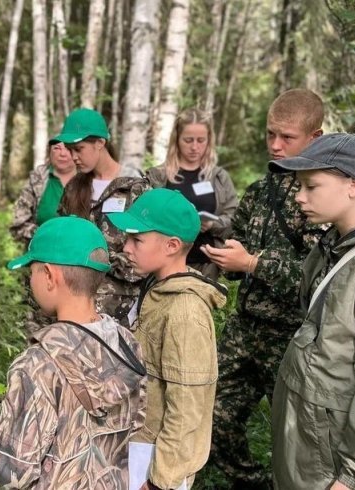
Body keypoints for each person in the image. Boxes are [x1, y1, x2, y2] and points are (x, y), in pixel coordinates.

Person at [200, 88, 326, 488]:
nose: (275, 145)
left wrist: (253, 263)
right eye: (270, 134)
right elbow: (239, 260)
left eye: (287, 137)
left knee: (296, 440)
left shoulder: (326, 194)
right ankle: (253, 482)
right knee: (212, 417)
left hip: (292, 337)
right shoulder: (260, 190)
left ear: (315, 137)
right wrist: (224, 254)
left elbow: (319, 278)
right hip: (245, 329)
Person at [0, 216, 147, 489]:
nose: (30, 280)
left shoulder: (38, 364)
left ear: (49, 276)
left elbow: (12, 473)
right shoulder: (125, 344)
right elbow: (138, 420)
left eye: (32, 271)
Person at [267, 133, 355, 489]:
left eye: (311, 186)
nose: (300, 197)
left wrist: (354, 478)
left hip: (336, 460)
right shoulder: (331, 244)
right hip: (308, 443)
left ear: (353, 186)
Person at [109, 189, 227, 489]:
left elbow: (188, 408)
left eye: (137, 239)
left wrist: (161, 480)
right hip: (140, 446)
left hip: (157, 461)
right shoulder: (157, 289)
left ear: (172, 245)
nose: (127, 247)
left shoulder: (185, 311)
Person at [55, 108, 150, 325]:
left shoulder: (135, 188)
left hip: (120, 306)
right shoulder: (73, 188)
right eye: (70, 150)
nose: (74, 157)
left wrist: (99, 262)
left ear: (100, 142)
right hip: (74, 302)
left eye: (79, 149)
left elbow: (147, 252)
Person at [146, 109, 237, 280]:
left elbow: (235, 218)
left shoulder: (218, 177)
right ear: (177, 140)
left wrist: (213, 224)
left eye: (201, 140)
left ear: (209, 141)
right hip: (164, 264)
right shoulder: (159, 176)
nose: (195, 147)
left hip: (205, 266)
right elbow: (145, 217)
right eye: (188, 140)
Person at [10, 141, 76, 246]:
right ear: (49, 152)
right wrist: (44, 235)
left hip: (80, 255)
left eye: (68, 148)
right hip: (40, 252)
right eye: (56, 148)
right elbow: (19, 223)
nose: (62, 153)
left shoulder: (89, 178)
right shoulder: (37, 178)